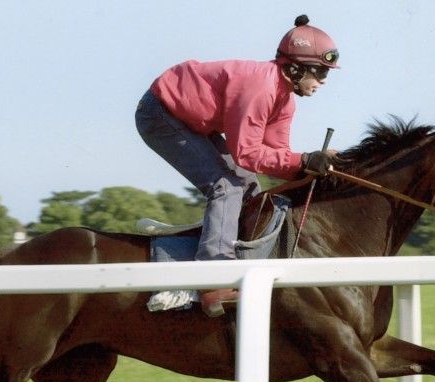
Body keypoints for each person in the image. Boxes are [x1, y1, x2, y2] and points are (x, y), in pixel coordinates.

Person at [135, 14, 339, 317]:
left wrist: (307, 168)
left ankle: (230, 261)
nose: (323, 81)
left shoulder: (285, 101)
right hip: (161, 113)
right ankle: (212, 278)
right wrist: (303, 161)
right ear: (295, 68)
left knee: (251, 191)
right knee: (226, 186)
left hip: (193, 121)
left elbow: (276, 155)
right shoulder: (261, 88)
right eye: (320, 72)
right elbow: (247, 154)